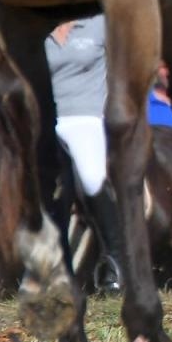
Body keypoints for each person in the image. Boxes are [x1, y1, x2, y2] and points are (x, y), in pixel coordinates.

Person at [43, 15, 125, 293]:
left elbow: (123, 70)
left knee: (91, 178)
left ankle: (116, 260)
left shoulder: (99, 22)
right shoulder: (37, 25)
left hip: (86, 117)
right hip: (46, 120)